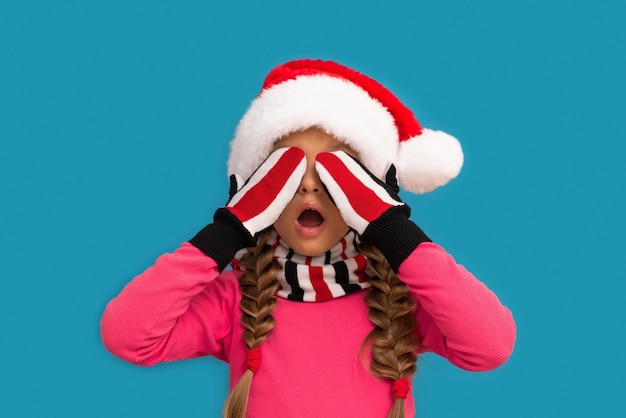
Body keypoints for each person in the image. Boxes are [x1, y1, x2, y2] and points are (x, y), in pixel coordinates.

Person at [100, 59, 516, 418]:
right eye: (285, 172)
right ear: (253, 190)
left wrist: (393, 230)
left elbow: (490, 346)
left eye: (338, 174)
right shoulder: (237, 301)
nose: (310, 187)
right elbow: (128, 337)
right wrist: (229, 231)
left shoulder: (399, 298)